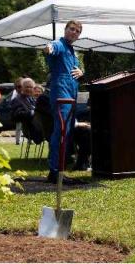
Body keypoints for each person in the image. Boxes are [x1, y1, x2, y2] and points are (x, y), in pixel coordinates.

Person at [43, 20, 84, 183]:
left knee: (66, 132)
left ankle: (59, 169)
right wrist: (48, 49)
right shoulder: (59, 44)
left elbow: (75, 70)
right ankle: (55, 171)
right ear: (65, 29)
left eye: (77, 31)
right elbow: (51, 48)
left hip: (71, 94)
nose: (74, 32)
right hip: (62, 93)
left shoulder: (72, 50)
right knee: (60, 131)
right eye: (72, 29)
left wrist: (81, 72)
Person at [10, 77, 43, 145]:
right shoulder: (17, 100)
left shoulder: (34, 99)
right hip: (30, 130)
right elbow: (15, 116)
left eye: (31, 87)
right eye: (27, 87)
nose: (29, 89)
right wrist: (32, 112)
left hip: (40, 126)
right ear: (22, 88)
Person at [11, 77, 24, 145]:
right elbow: (12, 101)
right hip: (19, 112)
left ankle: (30, 140)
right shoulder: (15, 93)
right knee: (18, 127)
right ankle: (18, 141)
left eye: (21, 86)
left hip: (26, 112)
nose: (20, 88)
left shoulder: (26, 92)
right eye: (18, 86)